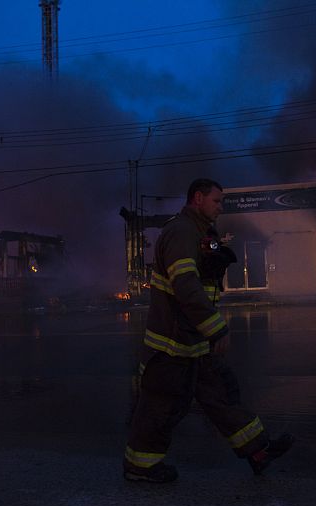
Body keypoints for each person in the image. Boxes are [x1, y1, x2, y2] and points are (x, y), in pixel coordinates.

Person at [123, 179, 293, 483]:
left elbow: (199, 282)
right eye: (216, 201)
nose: (220, 207)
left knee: (221, 394)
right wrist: (215, 328)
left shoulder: (199, 232)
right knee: (161, 404)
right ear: (198, 198)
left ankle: (258, 451)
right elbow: (186, 285)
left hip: (193, 340)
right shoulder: (181, 232)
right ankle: (140, 467)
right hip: (172, 344)